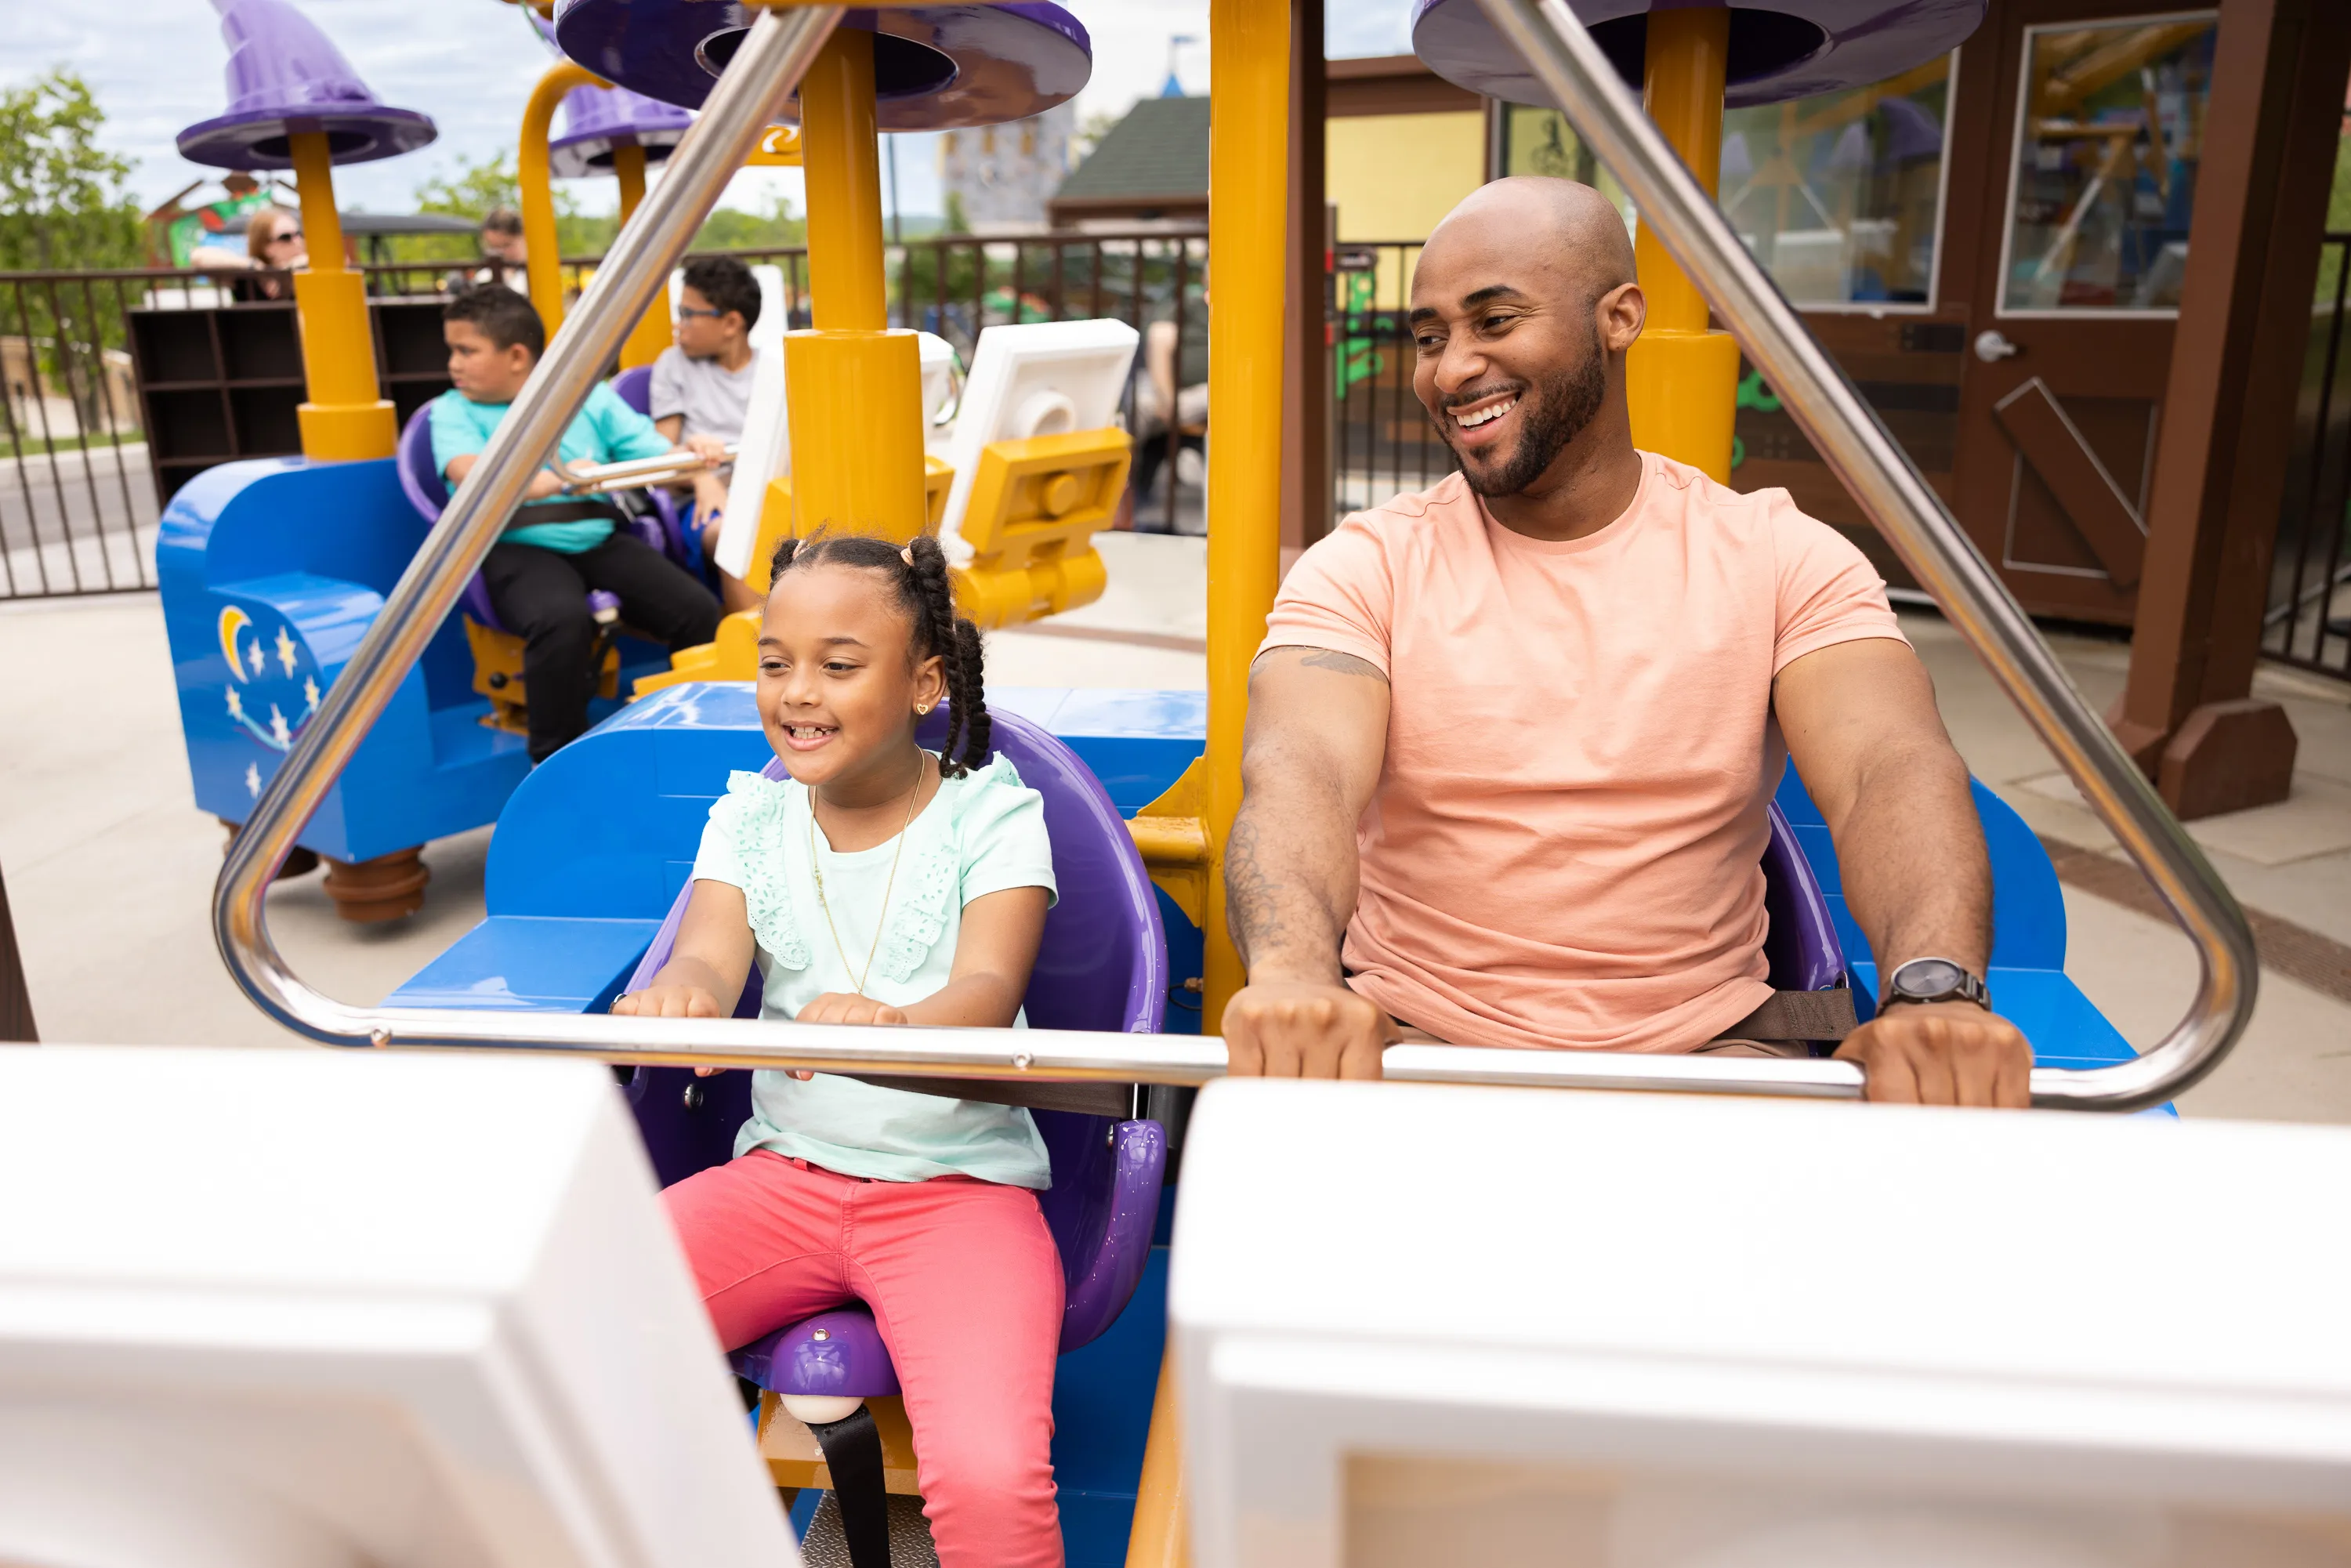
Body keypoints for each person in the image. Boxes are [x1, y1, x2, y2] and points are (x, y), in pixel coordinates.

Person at [1221, 177, 2034, 1108]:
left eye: (1494, 321)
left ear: (1619, 318)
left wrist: (1933, 992)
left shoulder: (1778, 554)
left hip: (1699, 1054)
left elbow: (1887, 767)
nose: (1450, 371)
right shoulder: (1365, 563)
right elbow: (1301, 773)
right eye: (1432, 336)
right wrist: (1292, 976)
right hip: (1421, 1043)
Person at [614, 532, 1063, 1568]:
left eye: (839, 664)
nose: (798, 692)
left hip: (957, 1189)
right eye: (775, 662)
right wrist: (678, 998)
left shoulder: (993, 817)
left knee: (992, 1476)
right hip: (784, 1178)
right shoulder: (748, 817)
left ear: (923, 683)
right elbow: (710, 961)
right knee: (576, 1332)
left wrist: (896, 1027)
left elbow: (988, 992)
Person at [429, 284, 723, 762]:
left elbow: (653, 454)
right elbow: (470, 473)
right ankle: (554, 758)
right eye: (453, 351)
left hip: (596, 536)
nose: (454, 364)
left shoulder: (587, 399)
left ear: (517, 356)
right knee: (561, 620)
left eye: (466, 351)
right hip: (517, 544)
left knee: (696, 610)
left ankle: (692, 733)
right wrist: (560, 480)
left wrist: (697, 463)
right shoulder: (453, 410)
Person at [650, 254, 763, 613]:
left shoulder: (774, 368)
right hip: (704, 501)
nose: (677, 324)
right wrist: (700, 474)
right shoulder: (673, 365)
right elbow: (660, 452)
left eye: (687, 314)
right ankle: (754, 652)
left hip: (764, 490)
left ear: (730, 323)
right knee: (734, 535)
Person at [190, 205, 304, 302]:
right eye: (286, 237)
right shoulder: (248, 277)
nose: (297, 241)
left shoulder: (307, 269)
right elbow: (198, 256)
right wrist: (253, 265)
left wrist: (293, 266)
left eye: (299, 234)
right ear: (265, 246)